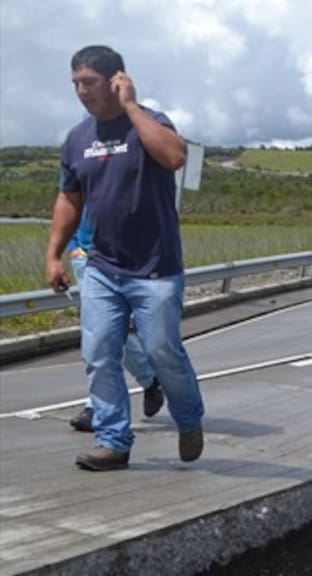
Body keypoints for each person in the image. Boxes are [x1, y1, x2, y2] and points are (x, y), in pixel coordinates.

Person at [45, 45, 204, 471]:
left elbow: (174, 157)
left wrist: (131, 107)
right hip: (102, 267)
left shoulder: (151, 123)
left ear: (118, 79)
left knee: (161, 350)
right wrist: (54, 254)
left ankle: (189, 420)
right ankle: (113, 440)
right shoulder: (78, 139)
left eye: (90, 82)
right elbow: (68, 197)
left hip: (155, 268)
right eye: (75, 83)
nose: (81, 91)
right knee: (98, 352)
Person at [67, 208, 164, 432]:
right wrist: (73, 247)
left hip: (121, 261)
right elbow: (71, 203)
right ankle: (150, 380)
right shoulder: (83, 172)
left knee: (103, 333)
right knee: (102, 332)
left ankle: (97, 408)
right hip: (86, 259)